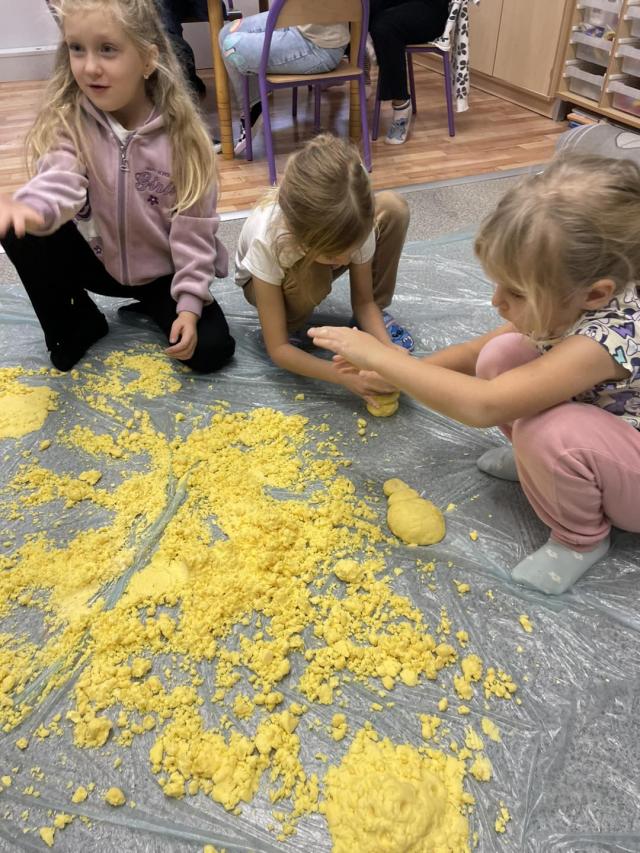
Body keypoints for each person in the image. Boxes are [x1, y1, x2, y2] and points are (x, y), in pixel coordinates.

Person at [309, 155, 640, 594]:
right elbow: (474, 353)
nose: (496, 302)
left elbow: (485, 406)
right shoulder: (580, 299)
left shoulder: (609, 337)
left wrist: (384, 359)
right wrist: (398, 375)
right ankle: (540, 465)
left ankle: (580, 539)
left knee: (551, 434)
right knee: (501, 354)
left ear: (595, 294)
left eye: (515, 292)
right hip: (611, 430)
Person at [0, 0, 235, 374]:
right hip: (99, 262)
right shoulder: (72, 123)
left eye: (107, 49)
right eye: (77, 48)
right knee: (20, 227)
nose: (89, 67)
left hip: (163, 276)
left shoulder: (185, 140)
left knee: (212, 350)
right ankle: (77, 323)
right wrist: (30, 208)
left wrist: (189, 308)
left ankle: (154, 306)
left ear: (148, 59)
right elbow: (58, 182)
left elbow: (195, 235)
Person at [235, 133, 413, 399]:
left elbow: (364, 302)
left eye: (351, 252)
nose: (346, 262)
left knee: (393, 207)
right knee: (314, 277)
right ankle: (291, 323)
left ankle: (373, 322)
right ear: (301, 238)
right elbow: (278, 349)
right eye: (334, 257)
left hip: (315, 250)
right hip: (261, 283)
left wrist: (387, 354)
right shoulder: (269, 241)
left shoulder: (355, 222)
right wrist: (342, 376)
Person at [219, 19, 350, 154]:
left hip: (320, 45)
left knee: (231, 46)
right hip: (299, 23)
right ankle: (254, 106)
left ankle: (253, 109)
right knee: (225, 33)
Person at [369, 0, 449, 145]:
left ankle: (401, 105)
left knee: (384, 28)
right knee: (358, 7)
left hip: (430, 10)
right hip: (401, 5)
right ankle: (363, 52)